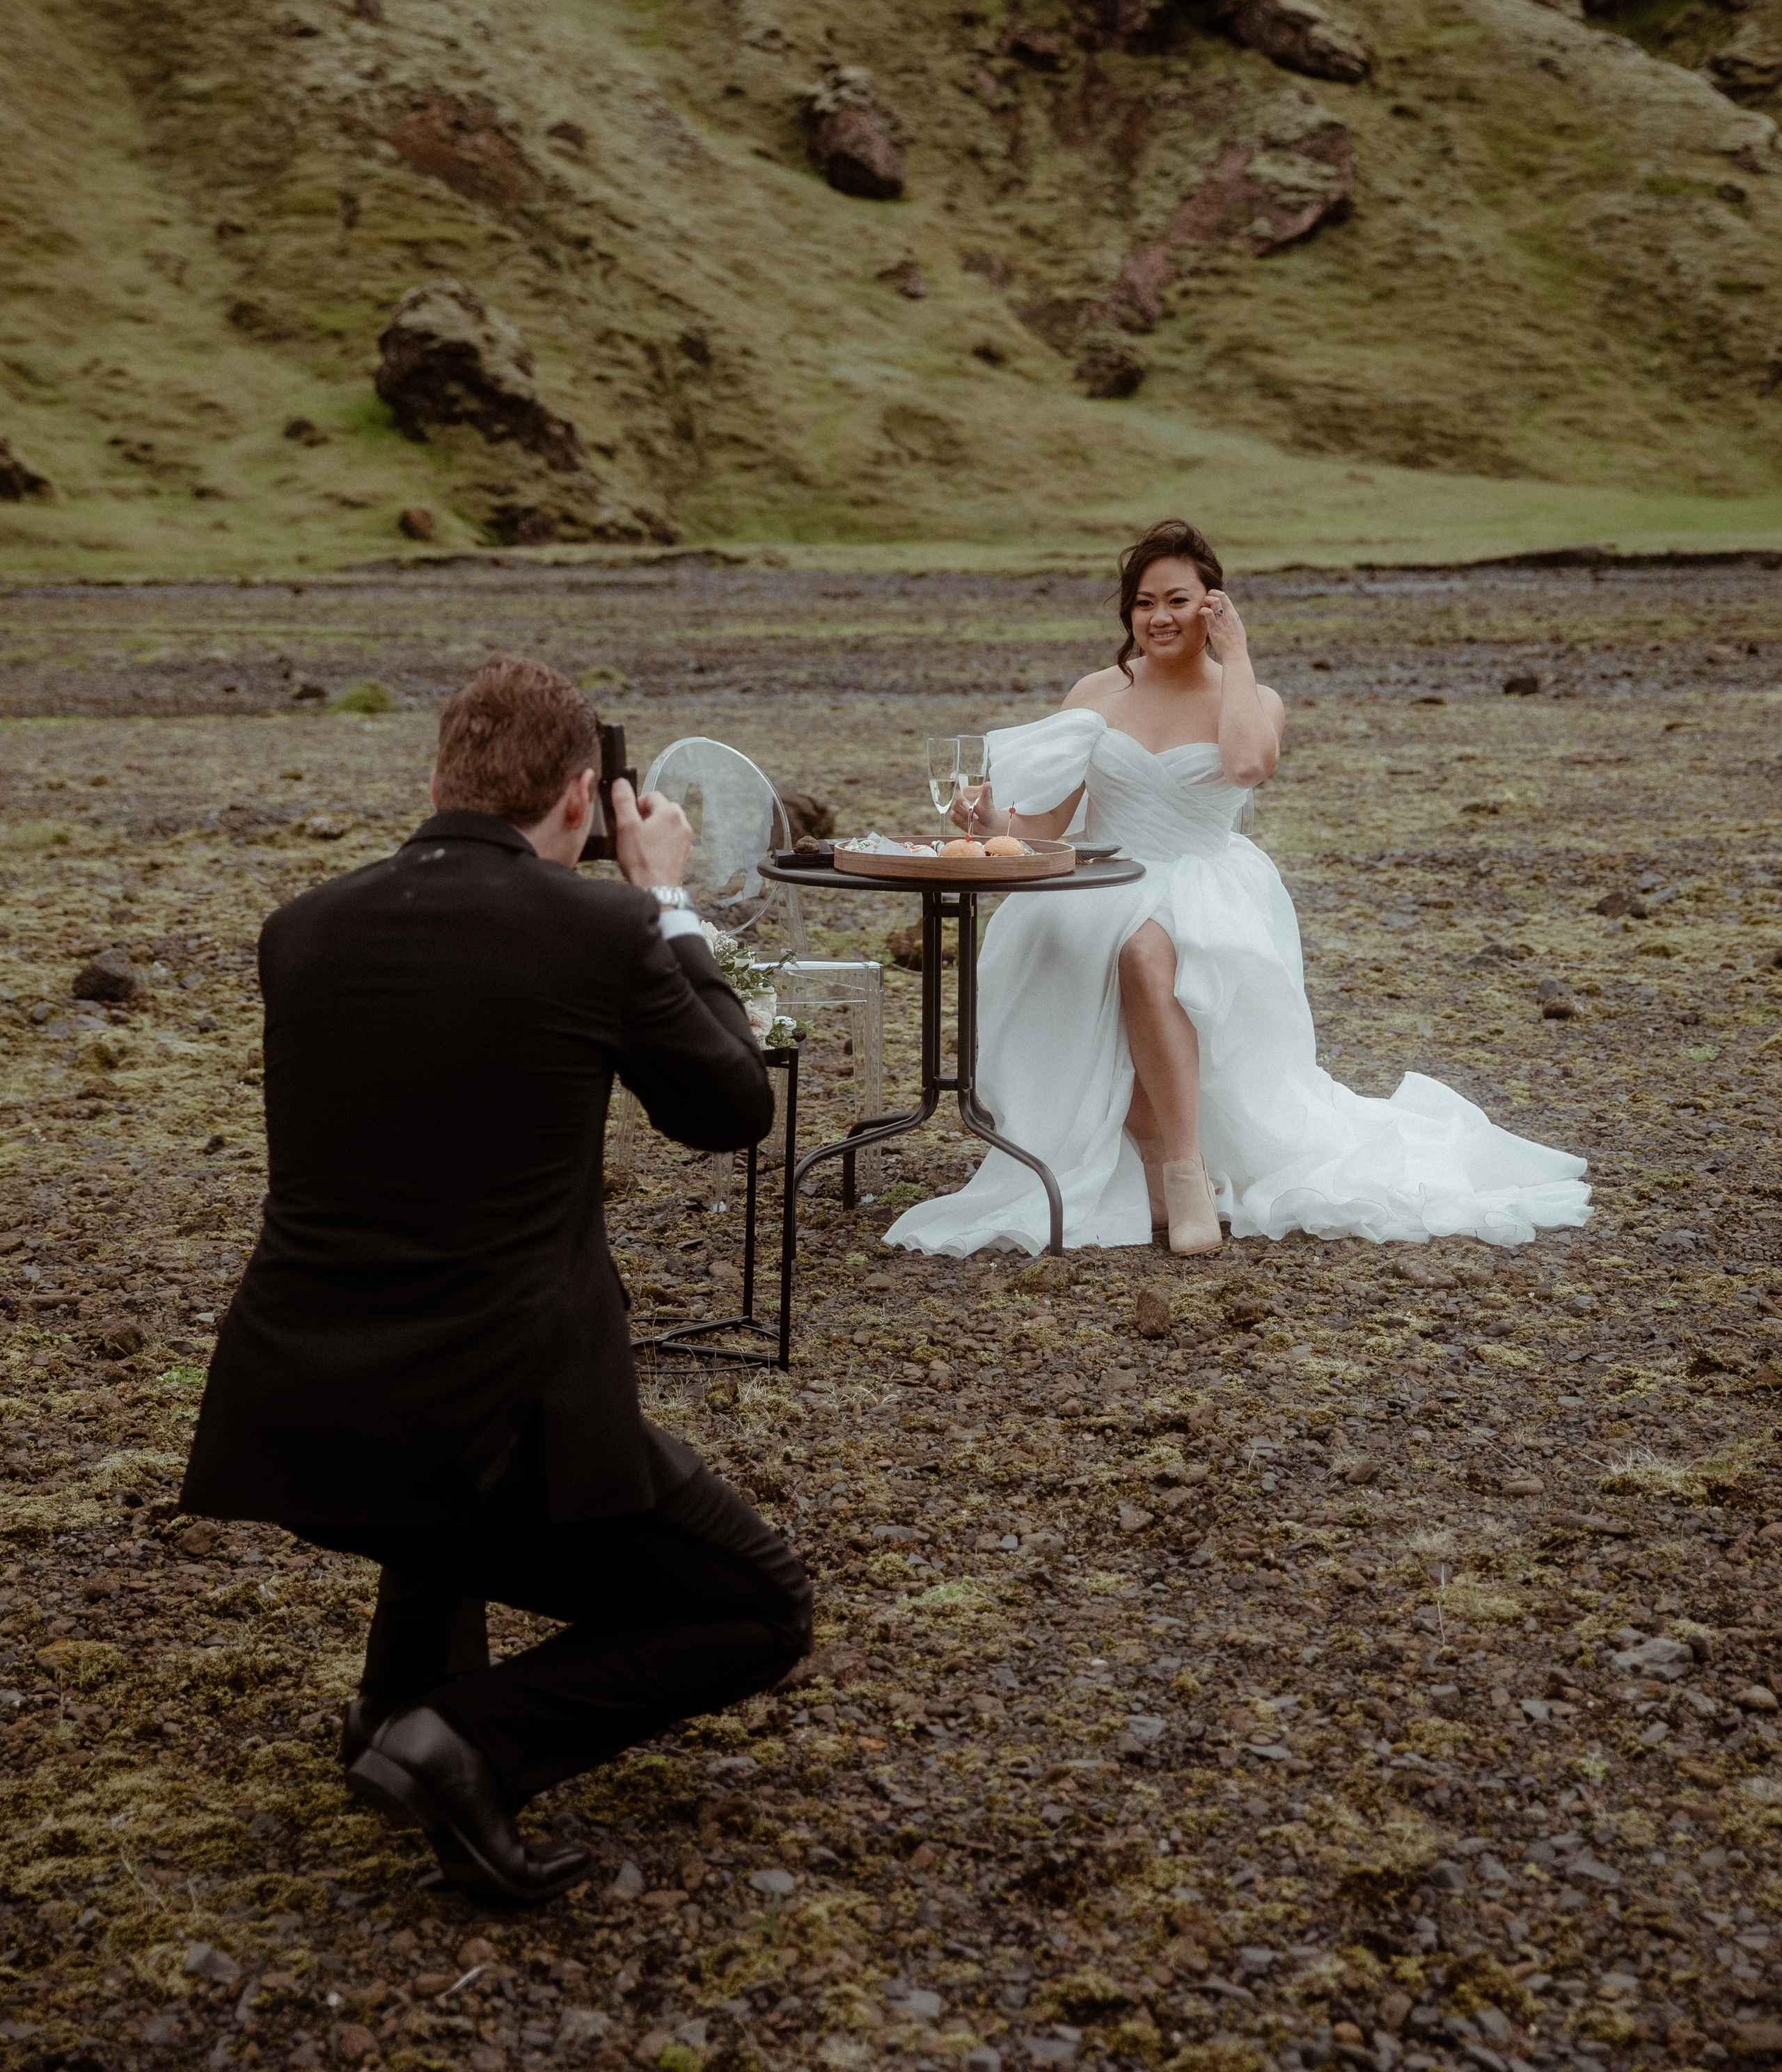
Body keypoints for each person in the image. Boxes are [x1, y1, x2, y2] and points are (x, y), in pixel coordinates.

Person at [180, 657, 810, 1908]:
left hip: (299, 1415)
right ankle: (465, 1743)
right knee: (762, 1608)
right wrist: (671, 899)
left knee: (444, 1459)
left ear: (436, 782)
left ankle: (392, 1711)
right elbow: (734, 1106)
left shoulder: (300, 930)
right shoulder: (606, 929)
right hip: (491, 1427)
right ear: (585, 800)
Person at [885, 520, 1590, 1260]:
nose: (1159, 617)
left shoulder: (1251, 695)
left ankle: (1185, 1169)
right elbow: (1047, 824)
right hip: (1099, 877)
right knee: (1119, 947)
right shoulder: (1095, 693)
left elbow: (1249, 765)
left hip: (1201, 880)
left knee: (1144, 955)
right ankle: (1151, 1158)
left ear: (1211, 605)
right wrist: (989, 817)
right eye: (1144, 603)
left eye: (1178, 600)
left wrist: (1238, 655)